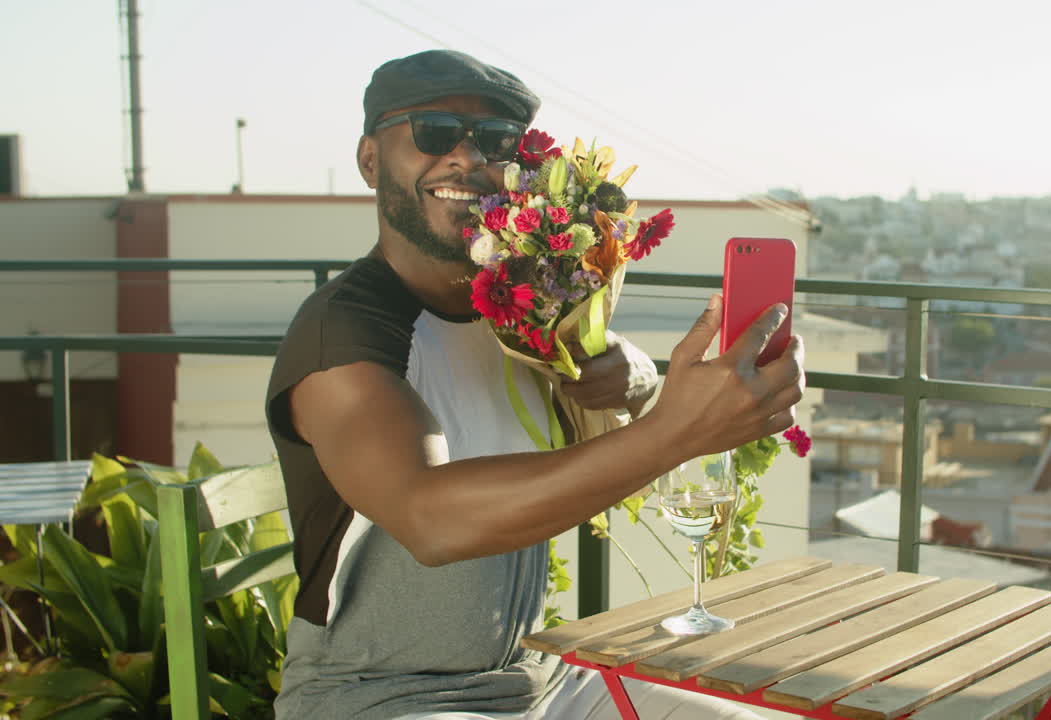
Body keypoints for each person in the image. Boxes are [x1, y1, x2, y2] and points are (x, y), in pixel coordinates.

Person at [264, 49, 805, 720]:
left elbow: (610, 378)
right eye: (434, 132)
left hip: (531, 681)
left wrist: (636, 377)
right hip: (378, 698)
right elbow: (428, 519)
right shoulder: (343, 333)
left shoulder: (519, 304)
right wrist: (674, 431)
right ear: (371, 158)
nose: (467, 158)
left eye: (495, 141)